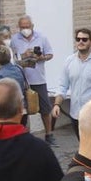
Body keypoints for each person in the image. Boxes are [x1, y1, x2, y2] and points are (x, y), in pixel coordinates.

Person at [52, 28, 91, 139]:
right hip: (76, 115)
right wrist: (57, 105)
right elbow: (62, 86)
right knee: (82, 147)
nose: (80, 42)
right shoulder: (69, 61)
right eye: (78, 39)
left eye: (84, 39)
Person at [9, 15, 56, 144]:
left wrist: (41, 57)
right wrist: (24, 56)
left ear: (32, 26)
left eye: (27, 27)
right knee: (22, 110)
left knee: (45, 108)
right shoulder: (14, 40)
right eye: (22, 27)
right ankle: (23, 136)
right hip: (22, 80)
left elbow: (50, 54)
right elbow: (12, 59)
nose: (25, 29)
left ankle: (49, 134)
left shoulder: (42, 37)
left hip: (38, 78)